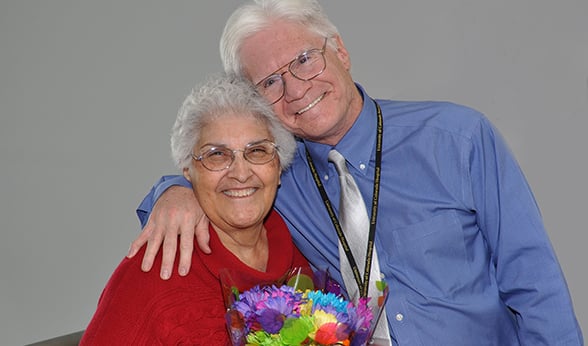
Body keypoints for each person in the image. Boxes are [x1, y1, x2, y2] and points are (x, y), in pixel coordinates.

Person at [128, 0, 584, 344]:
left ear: (341, 51)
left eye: (305, 59)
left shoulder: (457, 138)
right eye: (269, 82)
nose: (295, 88)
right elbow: (219, 180)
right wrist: (175, 191)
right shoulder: (276, 180)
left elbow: (535, 284)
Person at [81, 74, 309, 345]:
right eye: (217, 154)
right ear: (188, 172)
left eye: (257, 151)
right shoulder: (153, 271)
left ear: (279, 167)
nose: (240, 173)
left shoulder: (301, 259)